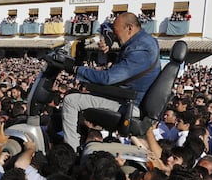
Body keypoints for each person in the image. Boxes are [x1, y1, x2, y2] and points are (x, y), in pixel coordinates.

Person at [61, 12, 161, 150]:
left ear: (129, 28)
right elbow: (105, 26)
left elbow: (108, 78)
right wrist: (108, 39)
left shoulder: (141, 50)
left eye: (116, 32)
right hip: (126, 97)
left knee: (71, 100)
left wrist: (76, 69)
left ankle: (71, 151)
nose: (116, 35)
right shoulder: (143, 40)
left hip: (130, 104)